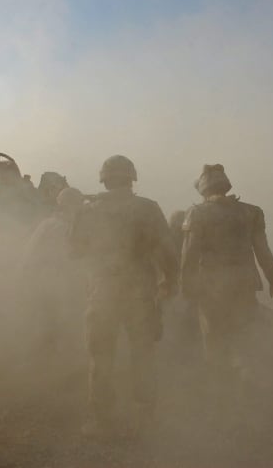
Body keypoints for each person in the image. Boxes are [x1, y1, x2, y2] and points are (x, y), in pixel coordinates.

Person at [69, 155, 178, 437]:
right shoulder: (147, 208)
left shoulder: (87, 210)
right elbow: (167, 251)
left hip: (102, 290)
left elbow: (74, 251)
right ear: (131, 178)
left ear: (104, 179)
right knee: (143, 354)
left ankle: (101, 420)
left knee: (101, 356)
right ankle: (145, 418)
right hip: (140, 291)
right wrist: (170, 281)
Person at [180, 164, 273, 409]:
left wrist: (186, 288)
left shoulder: (198, 214)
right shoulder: (251, 213)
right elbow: (263, 251)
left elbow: (189, 257)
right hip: (244, 286)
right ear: (225, 185)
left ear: (203, 189)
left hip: (211, 290)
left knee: (215, 341)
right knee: (245, 338)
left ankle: (221, 400)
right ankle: (248, 393)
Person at [18, 187, 87, 353]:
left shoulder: (50, 224)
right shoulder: (56, 225)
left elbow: (29, 255)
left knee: (54, 324)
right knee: (54, 325)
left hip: (55, 282)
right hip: (54, 282)